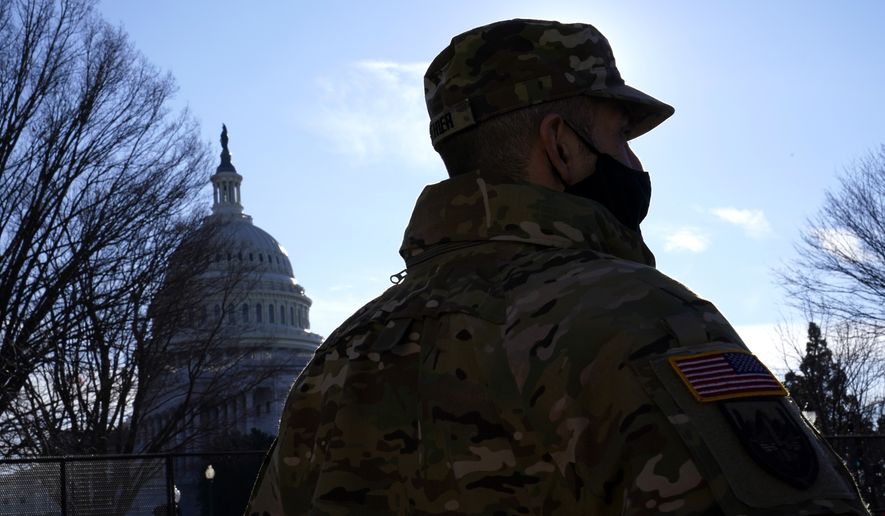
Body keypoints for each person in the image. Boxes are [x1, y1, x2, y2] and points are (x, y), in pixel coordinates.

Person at [246, 19, 870, 515]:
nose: (630, 161)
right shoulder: (637, 318)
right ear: (562, 144)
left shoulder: (339, 361)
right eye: (620, 135)